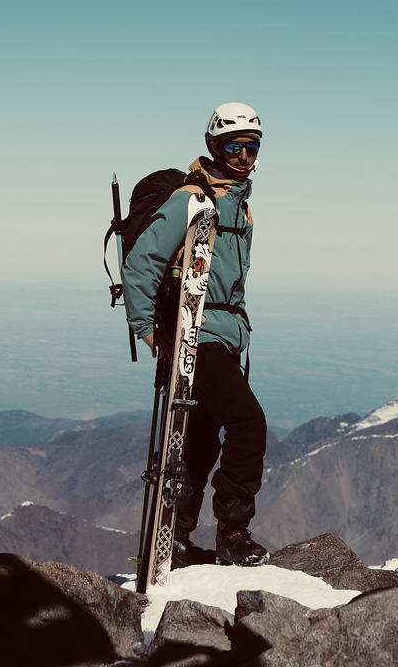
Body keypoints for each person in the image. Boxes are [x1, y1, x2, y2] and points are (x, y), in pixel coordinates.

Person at [121, 102, 268, 567]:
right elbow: (142, 262)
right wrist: (145, 327)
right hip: (195, 334)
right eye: (233, 146)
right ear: (214, 147)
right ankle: (234, 531)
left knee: (200, 440)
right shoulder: (193, 199)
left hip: (225, 336)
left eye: (251, 147)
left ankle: (176, 539)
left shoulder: (241, 208)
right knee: (248, 422)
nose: (243, 156)